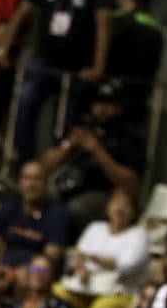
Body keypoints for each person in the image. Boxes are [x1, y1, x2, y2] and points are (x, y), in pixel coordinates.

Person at [0, 0, 114, 166]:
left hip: (78, 65)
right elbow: (22, 12)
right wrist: (3, 49)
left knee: (66, 122)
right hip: (46, 59)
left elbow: (104, 23)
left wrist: (98, 67)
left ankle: (54, 167)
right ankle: (25, 162)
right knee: (26, 99)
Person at [39, 79, 145, 235]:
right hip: (66, 184)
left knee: (76, 209)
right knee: (36, 193)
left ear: (120, 108)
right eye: (99, 103)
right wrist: (68, 145)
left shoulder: (130, 139)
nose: (102, 109)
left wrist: (98, 151)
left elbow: (131, 182)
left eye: (109, 104)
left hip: (101, 193)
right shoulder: (80, 127)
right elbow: (44, 165)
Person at [0, 161, 70, 284]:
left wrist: (17, 275)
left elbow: (51, 259)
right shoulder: (9, 207)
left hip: (38, 271)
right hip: (5, 270)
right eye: (26, 178)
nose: (31, 184)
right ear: (20, 182)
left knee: (28, 277)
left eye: (37, 179)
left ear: (46, 183)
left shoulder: (58, 214)